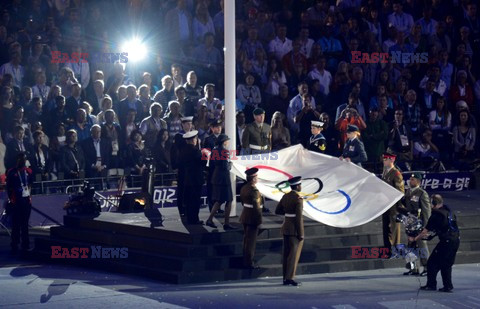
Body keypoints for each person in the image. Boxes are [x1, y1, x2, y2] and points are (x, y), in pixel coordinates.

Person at [410, 194, 460, 293]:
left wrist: (415, 238)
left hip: (446, 242)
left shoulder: (436, 215)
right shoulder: (449, 212)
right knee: (446, 264)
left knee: (432, 263)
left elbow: (425, 231)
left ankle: (431, 285)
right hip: (455, 240)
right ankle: (448, 286)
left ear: (433, 203)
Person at [275, 176, 304, 286]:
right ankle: (290, 278)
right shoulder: (298, 199)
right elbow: (298, 218)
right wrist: (301, 234)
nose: (301, 186)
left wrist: (288, 215)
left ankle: (285, 277)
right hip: (294, 230)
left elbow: (278, 210)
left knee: (286, 254)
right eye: (300, 185)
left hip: (286, 227)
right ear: (297, 186)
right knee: (293, 255)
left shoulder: (285, 196)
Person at [402, 173, 431, 276]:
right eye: (410, 179)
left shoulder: (422, 193)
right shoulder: (408, 192)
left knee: (422, 246)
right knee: (411, 246)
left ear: (418, 181)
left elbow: (426, 212)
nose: (410, 181)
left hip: (420, 225)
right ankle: (413, 268)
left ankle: (427, 268)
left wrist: (426, 227)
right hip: (410, 224)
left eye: (413, 179)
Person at [205, 134, 235, 230]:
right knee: (229, 200)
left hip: (216, 177)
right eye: (227, 140)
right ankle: (226, 223)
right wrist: (231, 163)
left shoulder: (214, 150)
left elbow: (212, 164)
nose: (228, 142)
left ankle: (210, 220)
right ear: (224, 142)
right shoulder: (225, 152)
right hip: (224, 178)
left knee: (219, 200)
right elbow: (226, 167)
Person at [6, 153, 33, 253]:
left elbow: (30, 184)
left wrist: (29, 195)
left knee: (25, 224)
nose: (23, 160)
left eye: (24, 159)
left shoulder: (29, 171)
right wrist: (11, 199)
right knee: (16, 224)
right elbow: (9, 187)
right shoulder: (11, 172)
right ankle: (14, 244)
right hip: (16, 201)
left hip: (26, 201)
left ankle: (25, 244)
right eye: (21, 159)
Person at [179, 130, 206, 225]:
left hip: (187, 178)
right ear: (194, 140)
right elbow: (203, 163)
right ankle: (194, 219)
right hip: (196, 179)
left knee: (189, 200)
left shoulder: (183, 150)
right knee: (195, 200)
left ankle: (189, 218)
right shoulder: (196, 151)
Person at [239, 167, 263, 269]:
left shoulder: (244, 188)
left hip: (245, 215)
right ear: (253, 178)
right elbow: (257, 208)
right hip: (252, 218)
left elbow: (242, 202)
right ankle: (249, 263)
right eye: (256, 176)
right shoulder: (254, 191)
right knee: (251, 242)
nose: (257, 178)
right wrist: (259, 220)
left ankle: (245, 260)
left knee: (246, 240)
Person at [381, 152, 404, 256]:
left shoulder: (396, 174)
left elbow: (400, 191)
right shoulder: (385, 172)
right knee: (386, 227)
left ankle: (394, 249)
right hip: (386, 205)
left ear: (391, 160)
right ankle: (387, 249)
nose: (384, 161)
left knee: (393, 228)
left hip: (393, 206)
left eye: (385, 159)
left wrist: (399, 207)